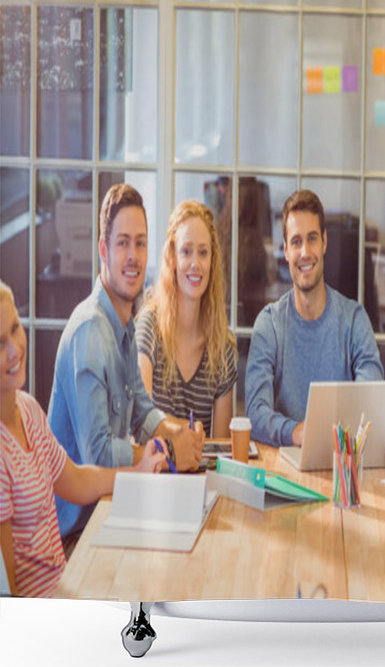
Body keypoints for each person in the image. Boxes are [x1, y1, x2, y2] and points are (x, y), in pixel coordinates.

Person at [47, 184, 204, 544]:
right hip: (75, 538)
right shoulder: (91, 331)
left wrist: (179, 435)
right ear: (103, 250)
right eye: (122, 243)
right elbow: (99, 454)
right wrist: (168, 453)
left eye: (140, 243)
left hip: (111, 510)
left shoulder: (124, 324)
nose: (133, 255)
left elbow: (143, 413)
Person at [0, 280, 166, 597]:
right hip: (43, 617)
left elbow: (75, 479)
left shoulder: (28, 409)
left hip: (65, 586)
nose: (14, 349)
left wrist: (139, 473)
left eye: (15, 329)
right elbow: (8, 595)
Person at [245, 189, 384, 448]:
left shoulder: (354, 320)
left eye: (312, 239)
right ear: (285, 250)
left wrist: (330, 434)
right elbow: (256, 411)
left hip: (340, 466)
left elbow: (371, 394)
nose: (305, 252)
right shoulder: (270, 325)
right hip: (285, 471)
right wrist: (296, 432)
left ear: (324, 243)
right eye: (296, 242)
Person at [136, 200, 237, 438]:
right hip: (154, 471)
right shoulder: (149, 326)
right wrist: (184, 430)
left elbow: (220, 450)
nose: (195, 264)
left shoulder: (223, 348)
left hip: (199, 473)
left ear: (212, 261)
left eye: (203, 253)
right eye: (186, 251)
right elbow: (140, 420)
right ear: (172, 258)